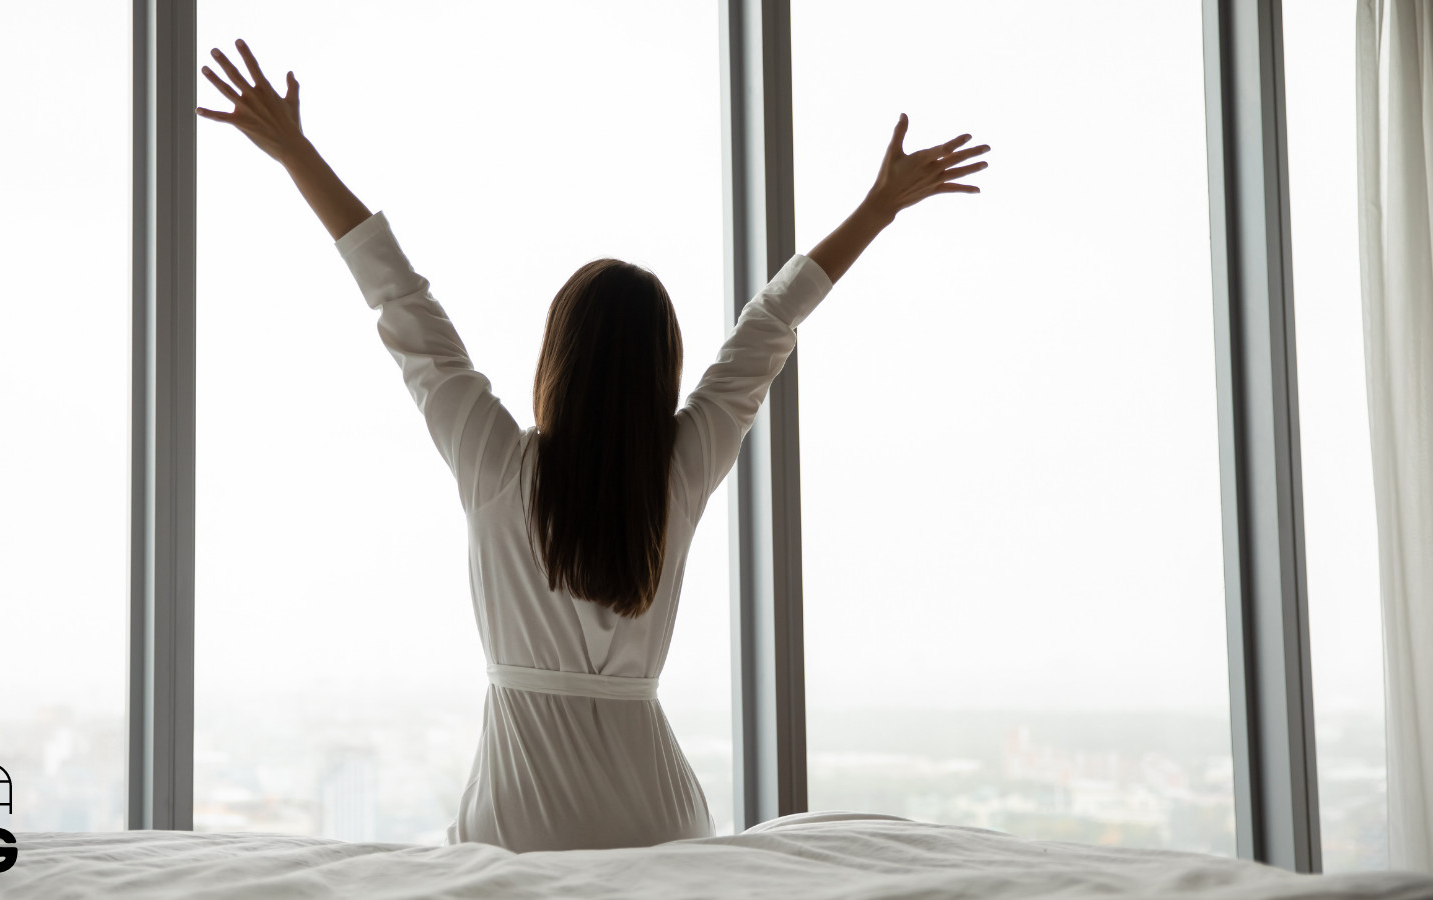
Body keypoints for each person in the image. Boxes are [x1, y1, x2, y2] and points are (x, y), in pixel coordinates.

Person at [197, 38, 989, 853]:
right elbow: (771, 322)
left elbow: (399, 298)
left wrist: (295, 152)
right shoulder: (679, 471)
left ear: (557, 358)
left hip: (521, 822)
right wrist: (879, 206)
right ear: (662, 371)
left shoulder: (496, 463)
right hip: (662, 820)